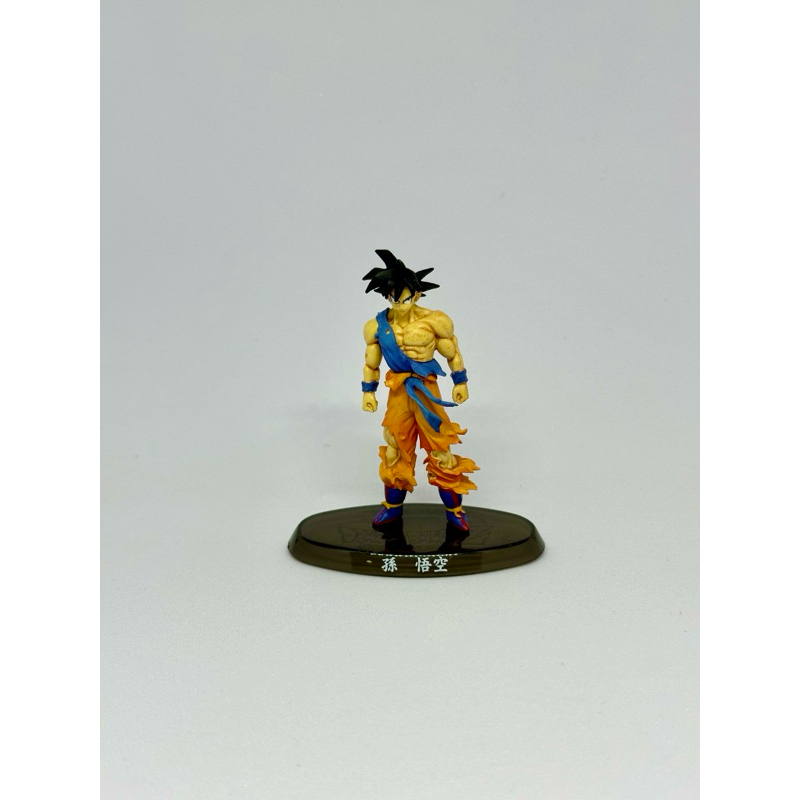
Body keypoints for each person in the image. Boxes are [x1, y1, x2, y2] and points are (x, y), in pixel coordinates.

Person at [361, 249, 479, 530]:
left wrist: (460, 381)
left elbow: (452, 351)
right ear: (385, 296)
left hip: (427, 389)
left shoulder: (435, 321)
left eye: (404, 298)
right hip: (398, 390)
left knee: (440, 447)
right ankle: (392, 508)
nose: (399, 304)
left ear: (416, 295)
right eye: (393, 298)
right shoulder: (376, 326)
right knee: (394, 446)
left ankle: (454, 510)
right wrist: (368, 391)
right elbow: (370, 362)